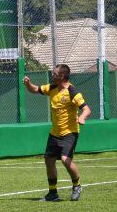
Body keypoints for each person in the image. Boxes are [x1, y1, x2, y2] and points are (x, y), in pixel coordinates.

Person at [23, 64, 91, 201]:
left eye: (54, 73)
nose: (52, 75)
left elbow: (86, 109)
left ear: (62, 76)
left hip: (70, 133)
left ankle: (76, 185)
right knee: (49, 161)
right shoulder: (52, 88)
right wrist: (28, 84)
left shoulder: (73, 92)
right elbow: (35, 89)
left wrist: (82, 118)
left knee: (66, 160)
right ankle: (52, 193)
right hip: (55, 133)